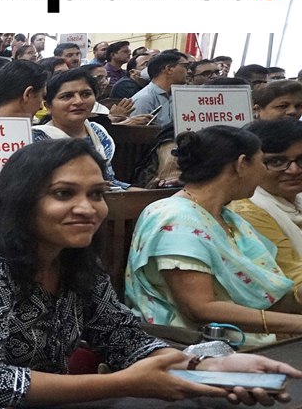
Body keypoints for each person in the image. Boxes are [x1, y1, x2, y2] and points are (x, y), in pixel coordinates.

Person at [0, 138, 298, 409]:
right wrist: (125, 384)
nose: (86, 208)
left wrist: (204, 366)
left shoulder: (77, 261)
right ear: (21, 201)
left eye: (96, 194)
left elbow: (122, 336)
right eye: (63, 194)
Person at [127, 125, 302, 346]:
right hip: (193, 349)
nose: (264, 172)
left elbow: (267, 293)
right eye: (261, 163)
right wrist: (295, 324)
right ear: (241, 165)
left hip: (245, 342)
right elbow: (200, 309)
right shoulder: (176, 219)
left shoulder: (226, 216)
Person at [231, 119, 302, 285]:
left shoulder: (297, 199)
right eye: (277, 162)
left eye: (301, 160)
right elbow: (291, 277)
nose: (294, 170)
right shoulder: (248, 212)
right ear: (247, 164)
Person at [32, 68, 123, 186]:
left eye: (86, 94)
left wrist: (131, 190)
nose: (78, 101)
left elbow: (109, 181)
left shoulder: (97, 132)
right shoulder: (36, 140)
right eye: (67, 96)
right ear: (48, 106)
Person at [132, 51, 189, 126]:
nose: (189, 71)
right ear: (169, 69)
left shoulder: (177, 96)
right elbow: (138, 134)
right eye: (185, 66)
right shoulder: (143, 99)